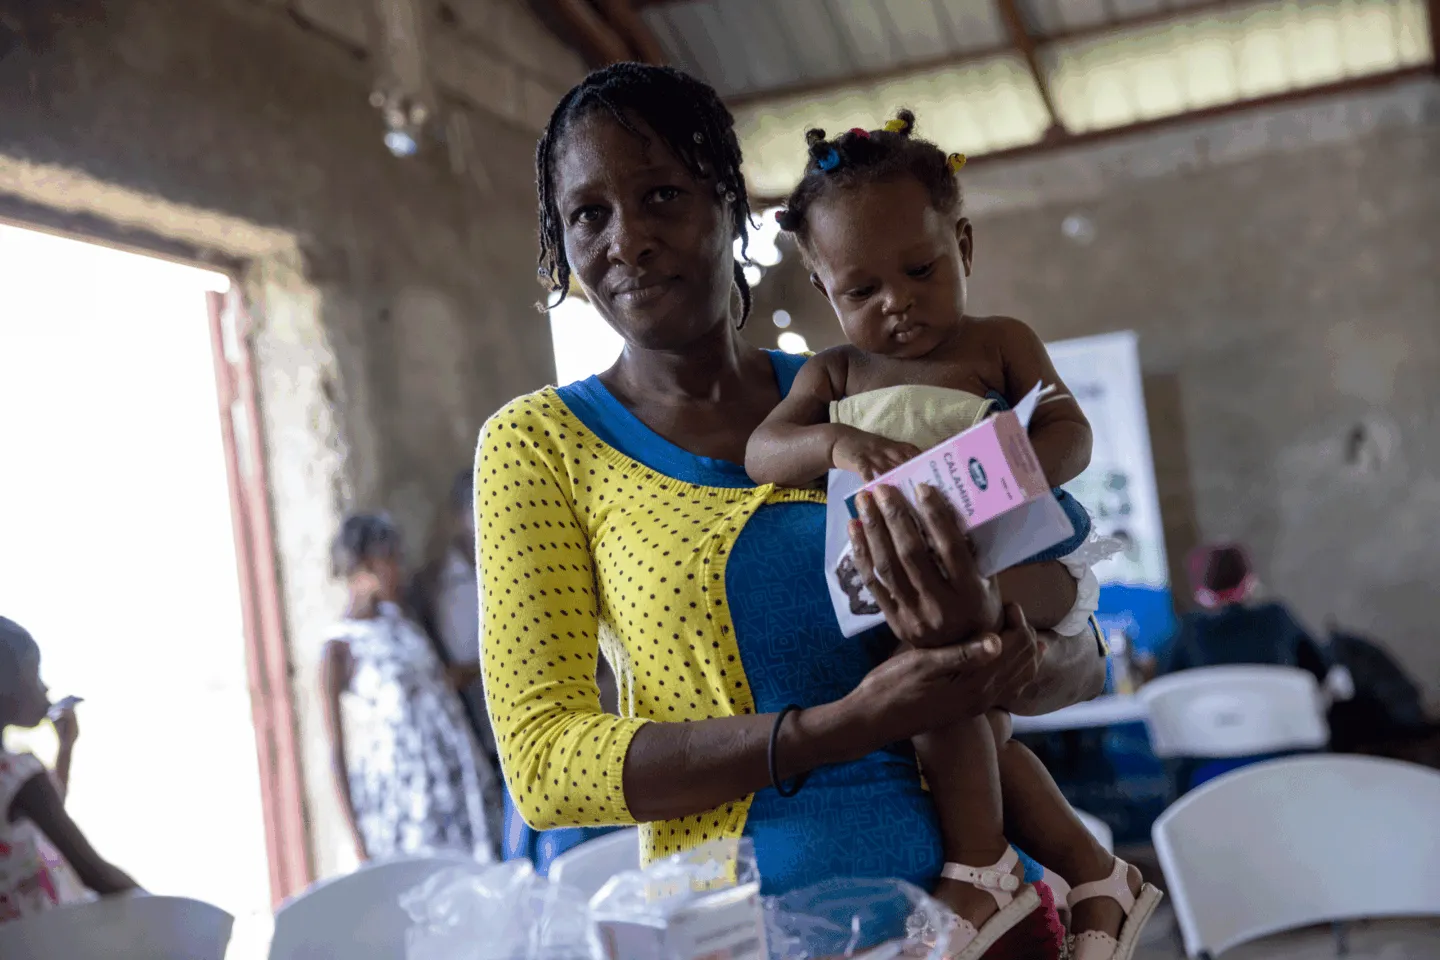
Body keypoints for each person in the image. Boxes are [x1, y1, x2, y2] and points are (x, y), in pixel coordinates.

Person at [478, 63, 1109, 957]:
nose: (629, 240)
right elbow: (544, 764)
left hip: (988, 916)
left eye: (662, 194)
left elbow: (1081, 655)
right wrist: (840, 728)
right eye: (589, 214)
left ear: (730, 208)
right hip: (757, 928)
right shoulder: (541, 445)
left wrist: (1007, 642)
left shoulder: (861, 394)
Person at [744, 109, 1158, 959]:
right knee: (955, 709)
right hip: (919, 585)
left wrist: (1008, 480)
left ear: (963, 247)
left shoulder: (997, 342)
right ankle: (1092, 872)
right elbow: (762, 451)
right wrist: (836, 441)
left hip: (1022, 557)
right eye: (862, 291)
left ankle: (983, 865)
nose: (898, 301)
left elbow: (1072, 432)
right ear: (823, 293)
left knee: (947, 679)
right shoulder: (835, 375)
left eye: (922, 269)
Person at [320, 514, 502, 863]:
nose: (399, 569)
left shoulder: (403, 620)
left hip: (456, 785)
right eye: (390, 559)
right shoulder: (339, 650)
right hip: (406, 802)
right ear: (364, 565)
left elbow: (437, 682)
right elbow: (336, 752)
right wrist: (357, 839)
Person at [0, 616, 137, 922]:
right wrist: (167, 914)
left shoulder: (15, 779)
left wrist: (65, 750)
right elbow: (97, 875)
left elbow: (37, 821)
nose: (45, 687)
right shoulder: (18, 773)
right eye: (34, 676)